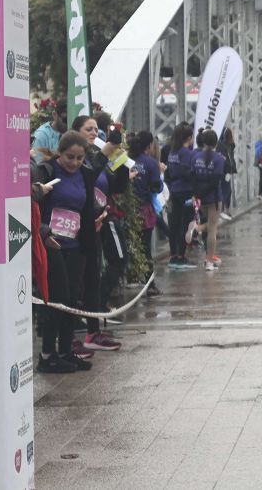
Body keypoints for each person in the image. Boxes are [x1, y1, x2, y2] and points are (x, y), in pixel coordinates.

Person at [32, 131, 118, 373]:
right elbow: (32, 207)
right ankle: (47, 354)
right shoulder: (46, 172)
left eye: (80, 158)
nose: (75, 163)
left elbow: (84, 206)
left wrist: (95, 218)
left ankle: (65, 351)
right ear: (60, 152)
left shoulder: (84, 174)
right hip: (50, 245)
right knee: (56, 300)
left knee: (71, 301)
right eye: (70, 157)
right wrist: (44, 233)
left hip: (75, 246)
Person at [71, 115, 126, 352]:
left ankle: (93, 333)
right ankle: (67, 337)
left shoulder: (95, 156)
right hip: (76, 229)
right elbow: (87, 176)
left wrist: (122, 161)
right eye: (88, 129)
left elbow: (115, 186)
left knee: (92, 279)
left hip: (97, 223)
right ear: (75, 133)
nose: (94, 132)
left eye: (96, 129)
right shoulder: (76, 161)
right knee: (75, 282)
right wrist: (106, 151)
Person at [128, 131, 163, 296]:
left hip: (126, 210)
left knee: (129, 245)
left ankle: (131, 278)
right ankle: (150, 285)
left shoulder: (125, 160)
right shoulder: (150, 162)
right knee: (145, 247)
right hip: (144, 209)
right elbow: (157, 186)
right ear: (149, 146)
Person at [192, 129, 226, 272]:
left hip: (201, 198)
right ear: (216, 142)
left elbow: (192, 177)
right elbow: (215, 180)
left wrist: (197, 194)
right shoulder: (219, 159)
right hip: (214, 197)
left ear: (203, 142)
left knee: (209, 225)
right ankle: (209, 261)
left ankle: (197, 228)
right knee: (212, 229)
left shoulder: (195, 157)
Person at [165, 124, 196, 269]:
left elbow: (170, 172)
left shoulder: (172, 152)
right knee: (187, 224)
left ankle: (172, 256)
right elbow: (186, 171)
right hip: (187, 191)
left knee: (174, 224)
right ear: (189, 138)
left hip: (174, 190)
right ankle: (181, 256)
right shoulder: (186, 153)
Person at [217, 128, 238, 221]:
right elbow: (226, 159)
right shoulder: (222, 145)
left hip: (226, 170)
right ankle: (224, 210)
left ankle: (225, 209)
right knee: (226, 190)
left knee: (226, 190)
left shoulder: (229, 145)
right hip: (225, 171)